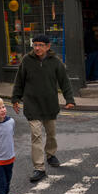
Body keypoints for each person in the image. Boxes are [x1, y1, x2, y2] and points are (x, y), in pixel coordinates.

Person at [11, 34, 75, 183]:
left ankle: (51, 154)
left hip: (50, 104)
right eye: (35, 45)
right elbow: (19, 80)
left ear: (48, 46)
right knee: (36, 136)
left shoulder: (55, 62)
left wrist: (69, 99)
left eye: (40, 45)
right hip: (32, 104)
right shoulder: (27, 60)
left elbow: (64, 82)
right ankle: (39, 168)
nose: (37, 48)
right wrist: (15, 98)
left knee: (51, 134)